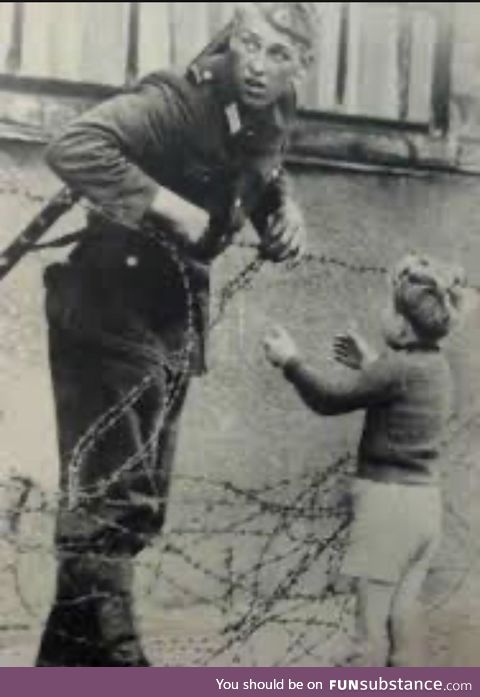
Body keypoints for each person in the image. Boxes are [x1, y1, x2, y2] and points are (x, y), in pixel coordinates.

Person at [35, 2, 319, 667]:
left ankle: (60, 670)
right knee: (112, 499)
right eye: (250, 43)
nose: (257, 63)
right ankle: (126, 664)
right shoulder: (177, 97)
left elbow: (264, 164)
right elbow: (73, 145)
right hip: (109, 305)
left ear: (301, 64)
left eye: (279, 54)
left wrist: (284, 207)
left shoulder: (275, 110)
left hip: (172, 318)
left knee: (138, 503)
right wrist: (168, 206)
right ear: (232, 38)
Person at [263, 253, 466, 666]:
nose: (381, 313)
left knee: (367, 637)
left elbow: (328, 399)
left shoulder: (395, 369)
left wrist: (291, 362)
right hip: (424, 508)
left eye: (388, 308)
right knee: (403, 622)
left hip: (387, 508)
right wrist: (371, 364)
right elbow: (401, 392)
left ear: (403, 325)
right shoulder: (436, 367)